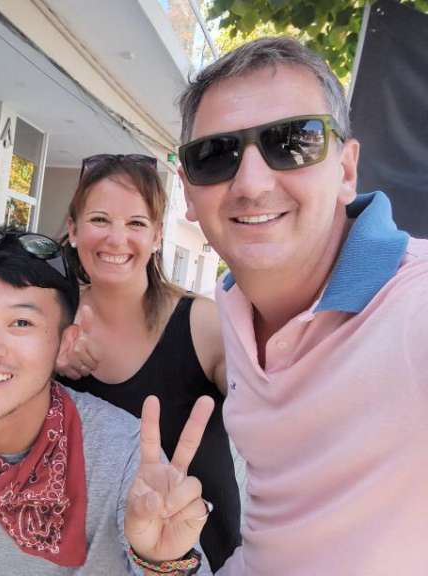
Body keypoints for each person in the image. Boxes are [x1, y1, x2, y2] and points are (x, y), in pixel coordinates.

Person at [176, 36, 428, 574]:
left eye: (293, 142)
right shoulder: (231, 306)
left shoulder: (413, 304)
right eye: (215, 155)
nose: (250, 183)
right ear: (188, 192)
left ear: (346, 169)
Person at [0, 228, 215, 575]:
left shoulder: (123, 451)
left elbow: (166, 555)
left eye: (21, 322)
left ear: (65, 344)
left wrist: (159, 562)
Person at [57, 154, 241, 571]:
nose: (116, 238)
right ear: (73, 229)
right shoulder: (49, 322)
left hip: (197, 561)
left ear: (157, 236)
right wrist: (45, 362)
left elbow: (273, 405)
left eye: (136, 223)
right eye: (100, 219)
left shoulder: (203, 324)